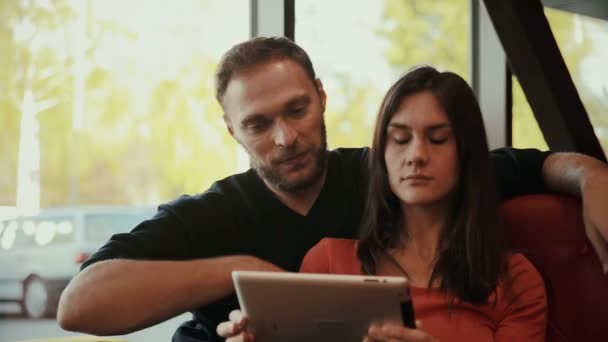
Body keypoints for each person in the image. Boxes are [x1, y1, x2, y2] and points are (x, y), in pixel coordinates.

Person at [57, 37, 608, 342]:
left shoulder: (393, 171)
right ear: (232, 130)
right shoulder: (216, 213)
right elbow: (79, 306)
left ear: (321, 97)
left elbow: (520, 166)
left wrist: (591, 175)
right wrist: (244, 274)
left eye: (297, 109)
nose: (286, 137)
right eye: (258, 124)